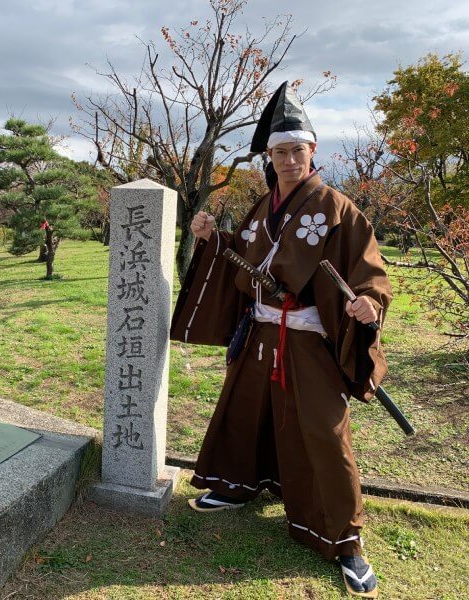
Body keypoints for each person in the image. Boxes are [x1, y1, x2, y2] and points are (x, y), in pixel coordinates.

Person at [170, 81, 392, 598]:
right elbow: (248, 257)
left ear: (313, 150)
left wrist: (368, 302)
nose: (289, 160)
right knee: (244, 410)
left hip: (310, 339)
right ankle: (237, 486)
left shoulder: (339, 209)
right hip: (262, 332)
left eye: (297, 150)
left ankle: (344, 540)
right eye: (279, 152)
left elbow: (371, 274)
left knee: (325, 432)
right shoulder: (262, 206)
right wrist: (213, 238)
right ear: (268, 157)